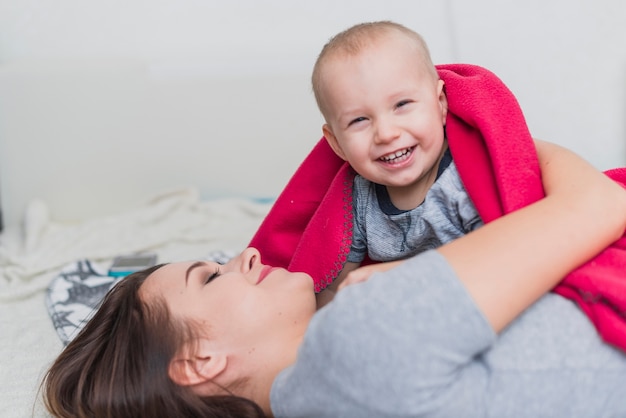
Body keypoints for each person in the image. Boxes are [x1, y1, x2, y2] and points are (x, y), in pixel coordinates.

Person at [42, 138, 626, 417]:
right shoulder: (353, 344)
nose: (244, 257)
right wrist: (483, 135)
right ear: (199, 362)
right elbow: (601, 207)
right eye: (212, 277)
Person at [310, 21, 483, 296]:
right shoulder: (358, 200)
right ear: (337, 145)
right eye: (359, 120)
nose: (386, 134)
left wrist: (396, 273)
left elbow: (502, 257)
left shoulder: (466, 181)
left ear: (440, 104)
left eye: (402, 105)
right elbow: (332, 289)